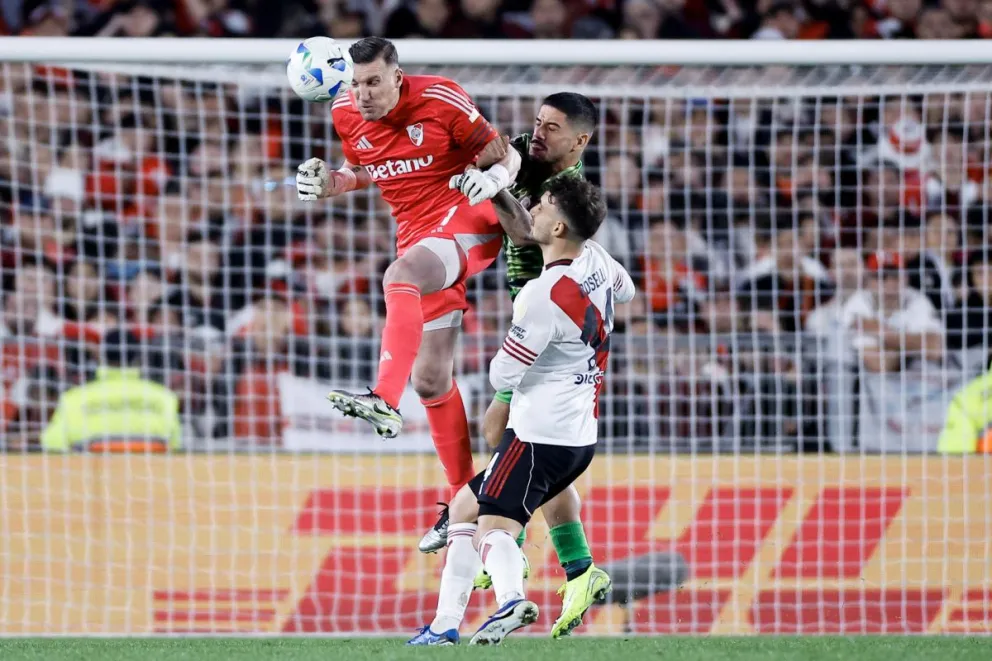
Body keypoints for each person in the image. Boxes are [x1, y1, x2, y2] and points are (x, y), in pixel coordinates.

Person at [295, 37, 521, 545]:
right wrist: (331, 183)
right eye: (355, 85)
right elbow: (367, 170)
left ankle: (382, 398)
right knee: (432, 379)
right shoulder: (346, 113)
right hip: (419, 235)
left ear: (398, 76)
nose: (363, 94)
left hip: (470, 217)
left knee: (398, 276)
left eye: (373, 82)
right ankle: (464, 502)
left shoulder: (442, 98)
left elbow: (504, 155)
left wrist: (496, 180)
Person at [408, 177, 635, 646]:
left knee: (493, 524)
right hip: (578, 433)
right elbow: (626, 290)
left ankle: (512, 600)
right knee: (464, 509)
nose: (534, 208)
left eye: (545, 205)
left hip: (539, 435)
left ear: (558, 229)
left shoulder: (541, 294)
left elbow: (501, 374)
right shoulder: (596, 259)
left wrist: (513, 381)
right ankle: (443, 625)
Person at [434, 92, 612, 639]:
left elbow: (520, 230)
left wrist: (499, 188)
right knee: (537, 453)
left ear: (578, 142)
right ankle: (577, 569)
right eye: (538, 123)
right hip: (543, 317)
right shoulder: (529, 159)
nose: (538, 134)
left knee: (502, 432)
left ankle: (498, 539)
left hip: (544, 326)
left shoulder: (561, 191)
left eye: (551, 129)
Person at [40, 328, 182, 452]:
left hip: (92, 479)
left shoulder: (73, 398)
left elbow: (52, 443)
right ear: (138, 358)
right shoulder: (165, 398)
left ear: (101, 356)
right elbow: (176, 444)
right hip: (151, 478)